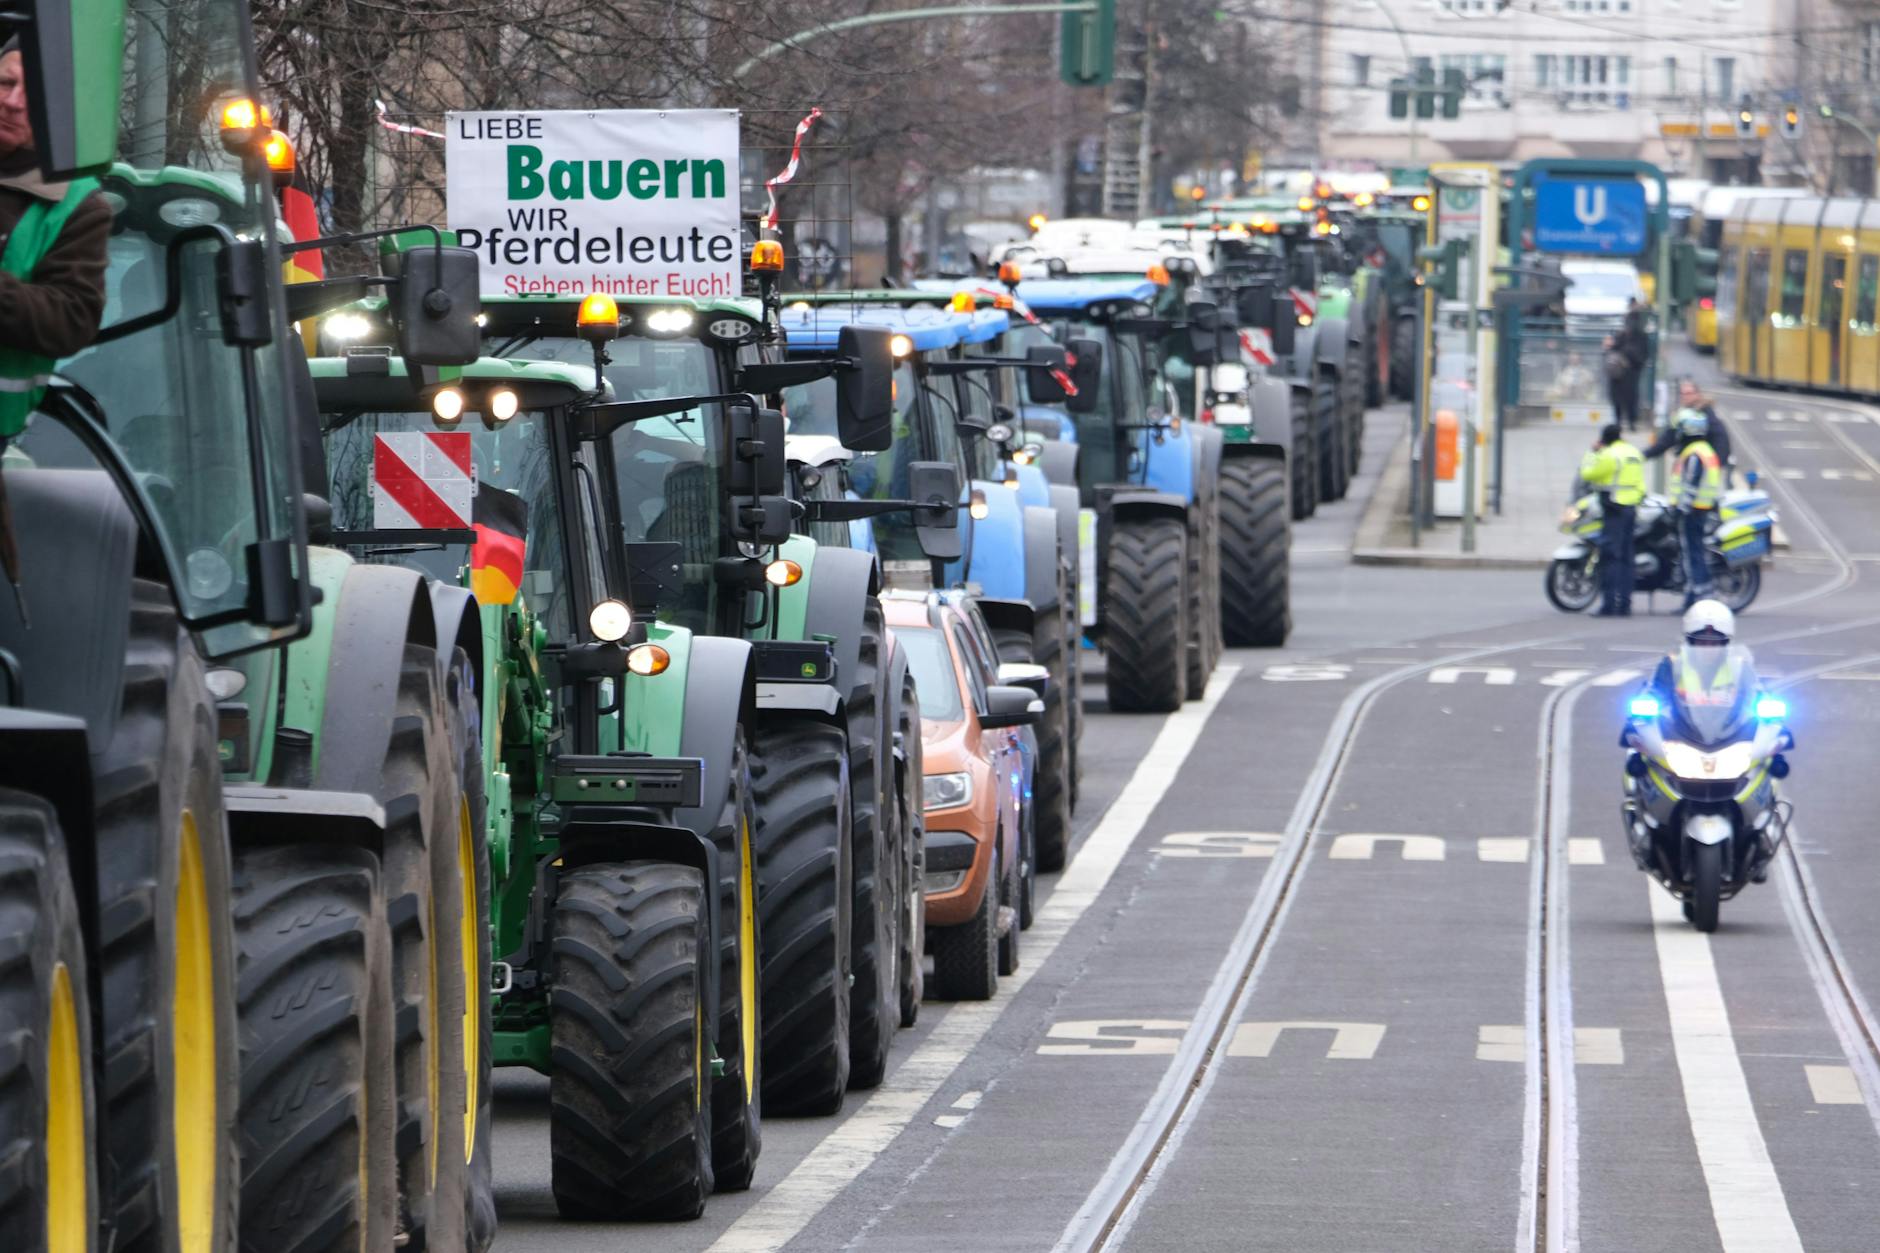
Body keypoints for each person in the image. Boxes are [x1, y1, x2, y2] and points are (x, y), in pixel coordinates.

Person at [0, 33, 112, 432]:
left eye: (34, 93)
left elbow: (72, 319)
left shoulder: (77, 203)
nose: (13, 102)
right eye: (6, 83)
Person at [1578, 422, 1646, 616]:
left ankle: (1609, 604)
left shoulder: (1609, 454)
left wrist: (1592, 452)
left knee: (1610, 558)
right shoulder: (1633, 452)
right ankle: (1625, 604)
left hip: (1613, 510)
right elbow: (1640, 483)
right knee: (1627, 558)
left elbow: (1588, 473)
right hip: (1631, 509)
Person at [1668, 407, 1723, 607]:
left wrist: (1679, 510)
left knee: (1692, 555)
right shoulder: (1706, 450)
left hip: (1692, 511)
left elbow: (1691, 484)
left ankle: (1697, 597)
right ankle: (1695, 594)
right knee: (1695, 552)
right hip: (1703, 508)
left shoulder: (1693, 454)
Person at [1647, 379, 1733, 486]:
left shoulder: (1706, 415)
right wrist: (1646, 454)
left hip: (1703, 467)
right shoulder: (1682, 415)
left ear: (1697, 394)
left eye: (1688, 393)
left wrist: (1716, 465)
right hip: (1689, 464)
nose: (1685, 396)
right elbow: (1667, 440)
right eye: (1682, 393)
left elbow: (1721, 441)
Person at [1603, 299, 1649, 432]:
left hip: (1630, 372)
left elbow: (1640, 356)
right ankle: (1623, 421)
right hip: (1620, 373)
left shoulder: (1638, 336)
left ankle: (1629, 421)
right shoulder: (1622, 336)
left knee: (1629, 399)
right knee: (1620, 399)